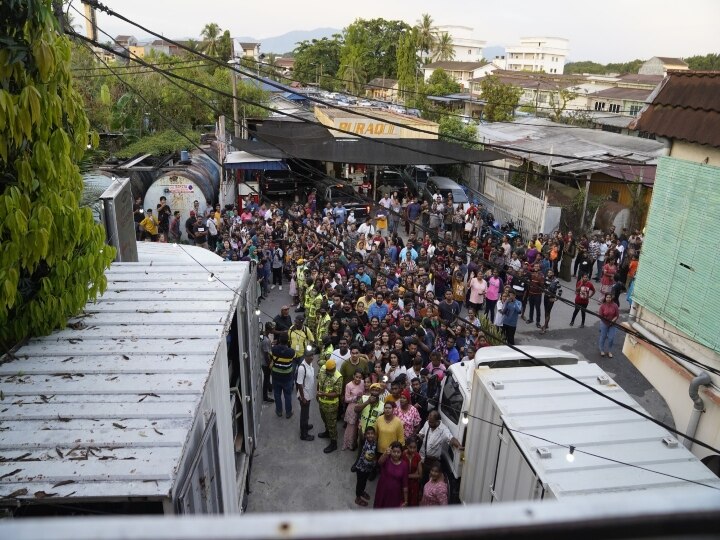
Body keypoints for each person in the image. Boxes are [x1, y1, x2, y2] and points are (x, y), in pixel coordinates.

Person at [417, 410, 462, 483]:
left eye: (431, 422)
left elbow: (451, 438)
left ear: (438, 421)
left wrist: (459, 445)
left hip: (433, 462)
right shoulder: (427, 423)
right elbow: (422, 433)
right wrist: (420, 436)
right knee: (420, 479)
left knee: (431, 482)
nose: (429, 423)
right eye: (429, 421)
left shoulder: (443, 430)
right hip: (422, 458)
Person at [316, 359, 343, 453]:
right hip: (321, 402)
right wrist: (317, 393)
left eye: (332, 370)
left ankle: (333, 443)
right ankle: (327, 433)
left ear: (335, 368)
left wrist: (323, 394)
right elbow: (319, 381)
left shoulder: (338, 377)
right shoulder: (323, 369)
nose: (330, 372)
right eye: (328, 370)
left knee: (332, 424)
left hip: (331, 405)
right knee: (324, 419)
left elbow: (337, 393)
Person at [374, 441, 409, 509]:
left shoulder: (404, 465)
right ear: (390, 451)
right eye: (394, 452)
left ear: (401, 453)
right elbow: (379, 462)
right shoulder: (387, 459)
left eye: (398, 452)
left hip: (394, 494)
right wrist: (385, 454)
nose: (396, 454)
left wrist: (406, 501)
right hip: (382, 490)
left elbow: (405, 485)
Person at [270, 335, 296, 419]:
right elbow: (293, 359)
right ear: (288, 341)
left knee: (277, 394)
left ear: (279, 340)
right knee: (287, 395)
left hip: (276, 376)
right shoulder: (291, 352)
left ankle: (279, 411)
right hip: (287, 377)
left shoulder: (274, 349)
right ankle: (288, 413)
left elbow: (270, 357)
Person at [353, 426, 378, 506]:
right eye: (368, 434)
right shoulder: (363, 442)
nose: (370, 435)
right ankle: (358, 498)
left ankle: (362, 492)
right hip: (360, 468)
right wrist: (360, 428)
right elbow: (360, 435)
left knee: (364, 482)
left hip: (368, 468)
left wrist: (374, 463)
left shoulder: (374, 443)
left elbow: (374, 455)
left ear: (374, 435)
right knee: (360, 483)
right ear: (365, 435)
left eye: (372, 433)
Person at [296, 349, 316, 441]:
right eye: (309, 356)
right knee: (304, 415)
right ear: (305, 356)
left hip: (309, 393)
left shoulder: (310, 364)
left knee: (306, 413)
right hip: (304, 396)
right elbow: (299, 383)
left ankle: (306, 425)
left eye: (312, 355)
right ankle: (303, 435)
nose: (312, 357)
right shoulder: (301, 368)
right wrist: (303, 397)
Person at [343, 371, 365, 450]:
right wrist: (355, 397)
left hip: (362, 407)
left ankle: (356, 444)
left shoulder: (363, 383)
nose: (358, 379)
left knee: (359, 427)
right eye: (356, 377)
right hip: (352, 408)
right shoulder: (349, 385)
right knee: (351, 428)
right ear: (353, 376)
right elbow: (346, 399)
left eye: (360, 377)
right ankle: (349, 444)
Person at [540, 270, 562, 335]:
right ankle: (546, 324)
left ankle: (544, 327)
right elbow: (543, 286)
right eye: (548, 273)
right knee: (545, 311)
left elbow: (560, 290)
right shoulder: (546, 278)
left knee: (548, 312)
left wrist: (556, 299)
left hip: (551, 298)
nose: (549, 274)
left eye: (550, 273)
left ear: (553, 273)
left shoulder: (556, 280)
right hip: (545, 297)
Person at [598, 293, 620, 358]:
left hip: (612, 324)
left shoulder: (615, 305)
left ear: (611, 298)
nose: (608, 299)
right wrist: (606, 320)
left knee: (611, 338)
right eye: (607, 297)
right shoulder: (602, 306)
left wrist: (612, 321)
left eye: (609, 297)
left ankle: (609, 351)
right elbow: (600, 315)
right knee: (603, 337)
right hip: (604, 323)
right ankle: (601, 350)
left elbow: (617, 315)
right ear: (605, 298)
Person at [403, 436, 423, 506]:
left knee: (413, 502)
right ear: (407, 446)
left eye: (414, 447)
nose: (412, 450)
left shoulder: (418, 456)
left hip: (414, 484)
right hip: (403, 483)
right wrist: (414, 475)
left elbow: (420, 475)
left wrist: (406, 476)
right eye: (410, 447)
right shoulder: (403, 455)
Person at [260, 322, 274, 403]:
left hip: (262, 361)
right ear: (268, 329)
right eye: (272, 329)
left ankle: (270, 387)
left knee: (267, 376)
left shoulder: (263, 336)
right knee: (266, 378)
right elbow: (266, 354)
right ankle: (265, 396)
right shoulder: (266, 341)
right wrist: (269, 364)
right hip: (265, 363)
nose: (273, 330)